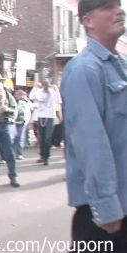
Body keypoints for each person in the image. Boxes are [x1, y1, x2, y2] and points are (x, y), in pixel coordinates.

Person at [61, 0, 127, 251]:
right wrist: (107, 207)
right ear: (88, 20)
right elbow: (91, 143)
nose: (119, 11)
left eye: (119, 5)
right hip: (105, 217)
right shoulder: (84, 70)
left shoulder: (119, 66)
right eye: (108, 6)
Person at [29, 80, 61, 165]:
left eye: (46, 85)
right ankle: (42, 155)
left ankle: (46, 157)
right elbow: (31, 97)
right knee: (41, 137)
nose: (45, 86)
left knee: (47, 137)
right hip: (41, 116)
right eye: (43, 85)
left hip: (50, 116)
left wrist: (56, 90)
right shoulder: (39, 91)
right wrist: (35, 87)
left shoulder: (52, 92)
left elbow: (58, 100)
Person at [12, 89, 31, 160]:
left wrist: (26, 121)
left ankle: (19, 153)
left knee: (20, 138)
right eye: (16, 94)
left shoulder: (24, 103)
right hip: (13, 123)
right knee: (13, 138)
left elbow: (29, 110)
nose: (17, 96)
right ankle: (13, 153)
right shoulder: (11, 102)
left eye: (19, 94)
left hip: (21, 122)